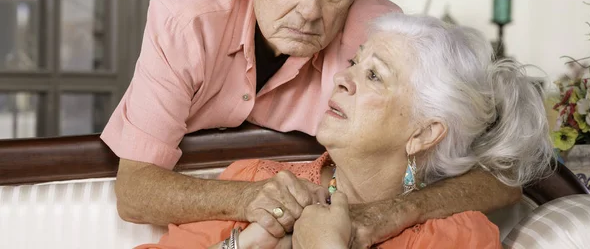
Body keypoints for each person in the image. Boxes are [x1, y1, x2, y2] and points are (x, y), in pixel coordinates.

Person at [102, 0, 521, 248]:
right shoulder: (188, 13)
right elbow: (136, 189)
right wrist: (248, 202)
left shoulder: (375, 34)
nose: (309, 10)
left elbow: (506, 171)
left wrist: (392, 213)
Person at [136, 13, 554, 249]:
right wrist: (246, 244)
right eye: (354, 62)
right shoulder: (257, 185)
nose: (342, 79)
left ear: (423, 134)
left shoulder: (454, 239)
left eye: (374, 75)